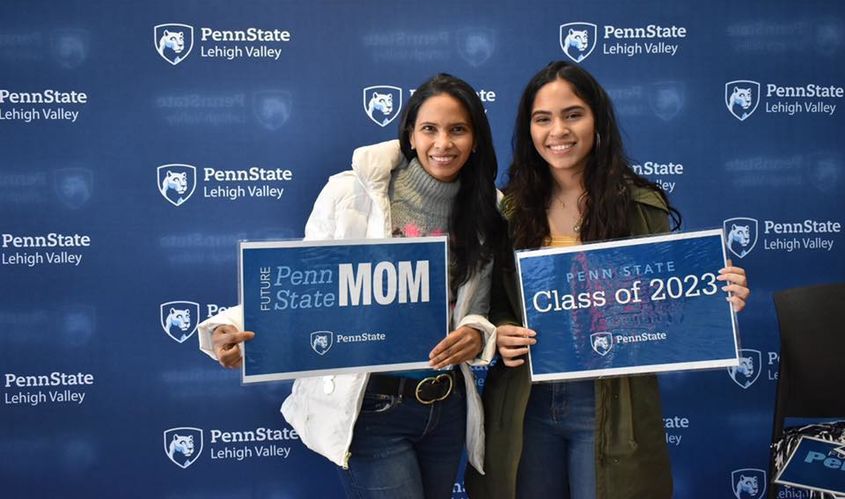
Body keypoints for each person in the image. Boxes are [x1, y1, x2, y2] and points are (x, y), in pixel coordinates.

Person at [196, 73, 506, 499]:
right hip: (372, 408)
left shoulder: (490, 210)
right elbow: (304, 282)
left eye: (458, 130)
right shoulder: (351, 194)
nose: (443, 143)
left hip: (445, 407)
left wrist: (475, 332)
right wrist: (226, 327)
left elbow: (481, 304)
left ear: (475, 139)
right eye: (429, 129)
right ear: (409, 135)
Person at [464, 61, 750, 499]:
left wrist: (715, 296)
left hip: (610, 402)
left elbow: (667, 306)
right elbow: (493, 303)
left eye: (572, 114)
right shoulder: (510, 212)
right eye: (543, 119)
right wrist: (499, 331)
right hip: (527, 401)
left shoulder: (640, 206)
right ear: (529, 130)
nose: (558, 130)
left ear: (597, 119)